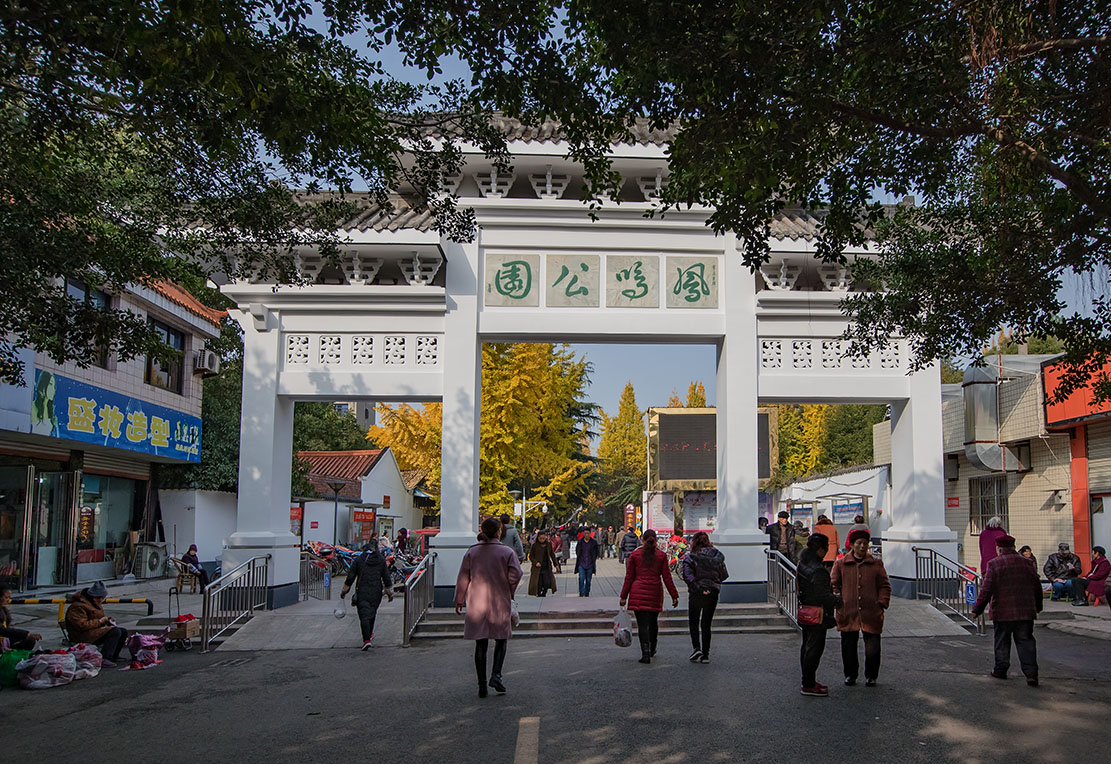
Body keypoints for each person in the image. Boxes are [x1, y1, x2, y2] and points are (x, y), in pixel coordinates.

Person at [456, 517, 522, 697]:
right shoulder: (506, 552)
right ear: (499, 532)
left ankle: (482, 684)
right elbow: (516, 573)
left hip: (477, 602)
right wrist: (509, 588)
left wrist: (459, 599)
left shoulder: (472, 552)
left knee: (481, 642)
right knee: (501, 639)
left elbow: (463, 576)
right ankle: (496, 675)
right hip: (499, 601)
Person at [971, 533, 1042, 686]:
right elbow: (1037, 586)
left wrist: (977, 609)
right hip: (1025, 611)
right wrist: (1038, 606)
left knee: (1002, 641)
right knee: (1026, 642)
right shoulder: (1028, 563)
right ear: (1014, 547)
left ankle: (1000, 670)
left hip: (1002, 611)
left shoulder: (994, 564)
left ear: (999, 549)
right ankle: (1031, 673)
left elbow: (986, 590)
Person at [832, 528, 890, 687]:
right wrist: (838, 600)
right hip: (847, 611)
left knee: (873, 646)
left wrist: (882, 602)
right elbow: (834, 584)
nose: (863, 546)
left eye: (865, 543)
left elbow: (884, 585)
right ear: (851, 545)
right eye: (859, 543)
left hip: (871, 611)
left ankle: (871, 675)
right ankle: (850, 674)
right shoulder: (841, 564)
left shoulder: (876, 564)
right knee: (848, 646)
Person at [620, 529, 679, 664]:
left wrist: (623, 596)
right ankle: (653, 647)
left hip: (637, 591)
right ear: (656, 540)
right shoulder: (661, 556)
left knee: (642, 625)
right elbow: (667, 577)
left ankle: (645, 653)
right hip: (655, 592)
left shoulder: (635, 555)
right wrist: (674, 596)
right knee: (653, 622)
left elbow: (629, 578)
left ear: (642, 540)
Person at [797, 534, 842, 697]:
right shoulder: (818, 570)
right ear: (821, 549)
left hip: (806, 611)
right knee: (814, 649)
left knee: (806, 647)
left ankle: (807, 681)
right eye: (826, 548)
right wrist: (838, 600)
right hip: (818, 614)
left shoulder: (803, 563)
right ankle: (808, 684)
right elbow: (823, 596)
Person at [680, 531, 728, 663]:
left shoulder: (691, 557)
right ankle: (706, 655)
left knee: (694, 621)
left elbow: (687, 575)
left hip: (696, 592)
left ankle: (697, 648)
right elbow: (723, 574)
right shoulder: (717, 555)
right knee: (706, 623)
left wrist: (698, 587)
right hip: (713, 591)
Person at [340, 541, 393, 650]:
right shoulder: (381, 560)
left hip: (362, 590)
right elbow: (386, 578)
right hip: (376, 590)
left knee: (364, 614)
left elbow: (350, 577)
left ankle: (366, 639)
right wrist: (389, 593)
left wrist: (344, 591)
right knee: (372, 612)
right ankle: (369, 634)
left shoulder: (359, 560)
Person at [65, 581, 127, 667]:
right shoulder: (78, 606)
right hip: (81, 634)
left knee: (123, 631)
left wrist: (107, 621)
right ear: (94, 597)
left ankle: (114, 655)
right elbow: (81, 625)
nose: (101, 600)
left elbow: (96, 618)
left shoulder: (93, 603)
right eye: (100, 598)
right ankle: (105, 658)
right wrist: (100, 622)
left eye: (103, 598)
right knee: (115, 632)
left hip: (92, 631)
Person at [528, 529, 560, 597]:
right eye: (540, 538)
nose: (542, 539)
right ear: (538, 538)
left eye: (543, 538)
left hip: (546, 566)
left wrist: (556, 565)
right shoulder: (535, 545)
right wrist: (535, 562)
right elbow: (531, 556)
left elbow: (552, 555)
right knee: (538, 582)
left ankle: (544, 592)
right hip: (537, 568)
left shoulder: (548, 544)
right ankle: (539, 593)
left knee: (546, 582)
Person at [575, 527, 600, 596]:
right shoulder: (580, 542)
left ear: (590, 534)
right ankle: (581, 593)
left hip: (590, 564)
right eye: (585, 533)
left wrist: (594, 558)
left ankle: (587, 593)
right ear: (583, 534)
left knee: (588, 580)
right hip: (581, 563)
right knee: (581, 578)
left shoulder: (593, 543)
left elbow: (596, 552)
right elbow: (577, 551)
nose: (586, 535)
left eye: (588, 533)